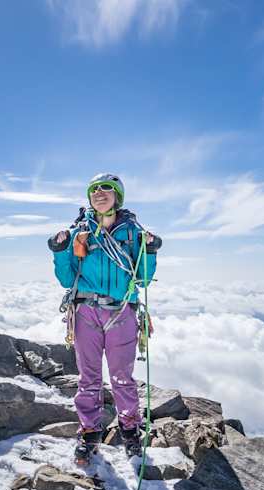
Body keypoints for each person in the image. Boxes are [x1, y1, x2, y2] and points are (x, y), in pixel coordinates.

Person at [48, 173, 161, 466]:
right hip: (86, 311)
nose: (99, 193)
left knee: (122, 378)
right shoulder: (80, 233)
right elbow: (66, 278)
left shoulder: (133, 233)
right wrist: (61, 251)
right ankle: (89, 433)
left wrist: (148, 250)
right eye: (94, 190)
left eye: (106, 189)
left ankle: (130, 431)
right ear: (89, 197)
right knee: (89, 379)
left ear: (117, 196)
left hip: (121, 311)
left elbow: (144, 278)